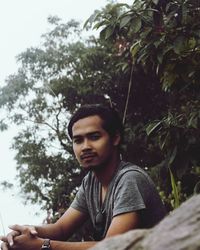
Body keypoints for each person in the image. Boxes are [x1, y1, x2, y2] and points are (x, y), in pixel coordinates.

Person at [0, 104, 166, 250]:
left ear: (115, 138)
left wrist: (43, 246)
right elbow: (60, 229)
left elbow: (112, 247)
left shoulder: (129, 179)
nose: (85, 147)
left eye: (94, 137)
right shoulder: (91, 183)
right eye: (78, 140)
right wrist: (26, 231)